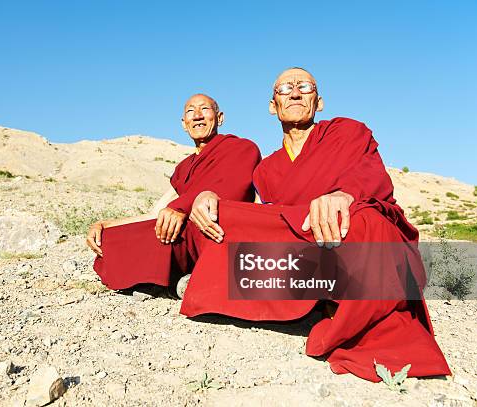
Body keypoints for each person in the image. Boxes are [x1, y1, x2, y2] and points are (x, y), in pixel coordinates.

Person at [181, 68, 451, 382]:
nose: (295, 93)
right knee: (221, 216)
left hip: (346, 233)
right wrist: (208, 196)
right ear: (273, 105)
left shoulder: (347, 132)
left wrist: (343, 194)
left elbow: (373, 176)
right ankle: (313, 295)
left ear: (318, 101)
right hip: (304, 244)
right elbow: (266, 217)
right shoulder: (266, 169)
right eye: (285, 89)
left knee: (370, 221)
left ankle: (340, 311)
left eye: (304, 86)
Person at [88, 93, 261, 291]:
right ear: (183, 123)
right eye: (190, 111)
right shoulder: (184, 167)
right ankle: (183, 278)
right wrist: (105, 225)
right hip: (184, 234)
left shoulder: (241, 148)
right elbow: (158, 211)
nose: (197, 115)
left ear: (219, 117)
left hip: (219, 233)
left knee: (166, 236)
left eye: (204, 109)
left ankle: (185, 278)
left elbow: (232, 188)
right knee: (113, 238)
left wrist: (181, 208)